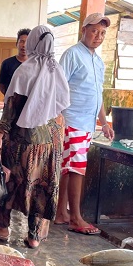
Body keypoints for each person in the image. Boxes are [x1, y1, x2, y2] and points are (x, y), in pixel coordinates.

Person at [0, 25, 69, 249]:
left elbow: (11, 108)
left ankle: (1, 227)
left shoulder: (25, 70)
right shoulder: (57, 70)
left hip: (24, 140)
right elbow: (63, 105)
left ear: (32, 43)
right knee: (41, 185)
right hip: (52, 141)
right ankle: (35, 236)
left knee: (9, 180)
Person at [55, 12, 114, 234]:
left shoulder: (98, 61)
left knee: (69, 167)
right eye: (94, 31)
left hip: (87, 124)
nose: (98, 36)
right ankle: (75, 218)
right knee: (76, 169)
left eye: (102, 33)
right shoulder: (72, 54)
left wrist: (104, 123)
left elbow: (98, 94)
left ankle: (61, 213)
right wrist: (59, 117)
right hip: (73, 120)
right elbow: (58, 87)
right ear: (84, 30)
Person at [0, 28, 30, 97]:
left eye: (27, 42)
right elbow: (2, 87)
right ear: (17, 44)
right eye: (22, 41)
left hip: (29, 101)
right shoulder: (7, 63)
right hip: (11, 101)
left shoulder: (34, 65)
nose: (24, 45)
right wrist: (10, 98)